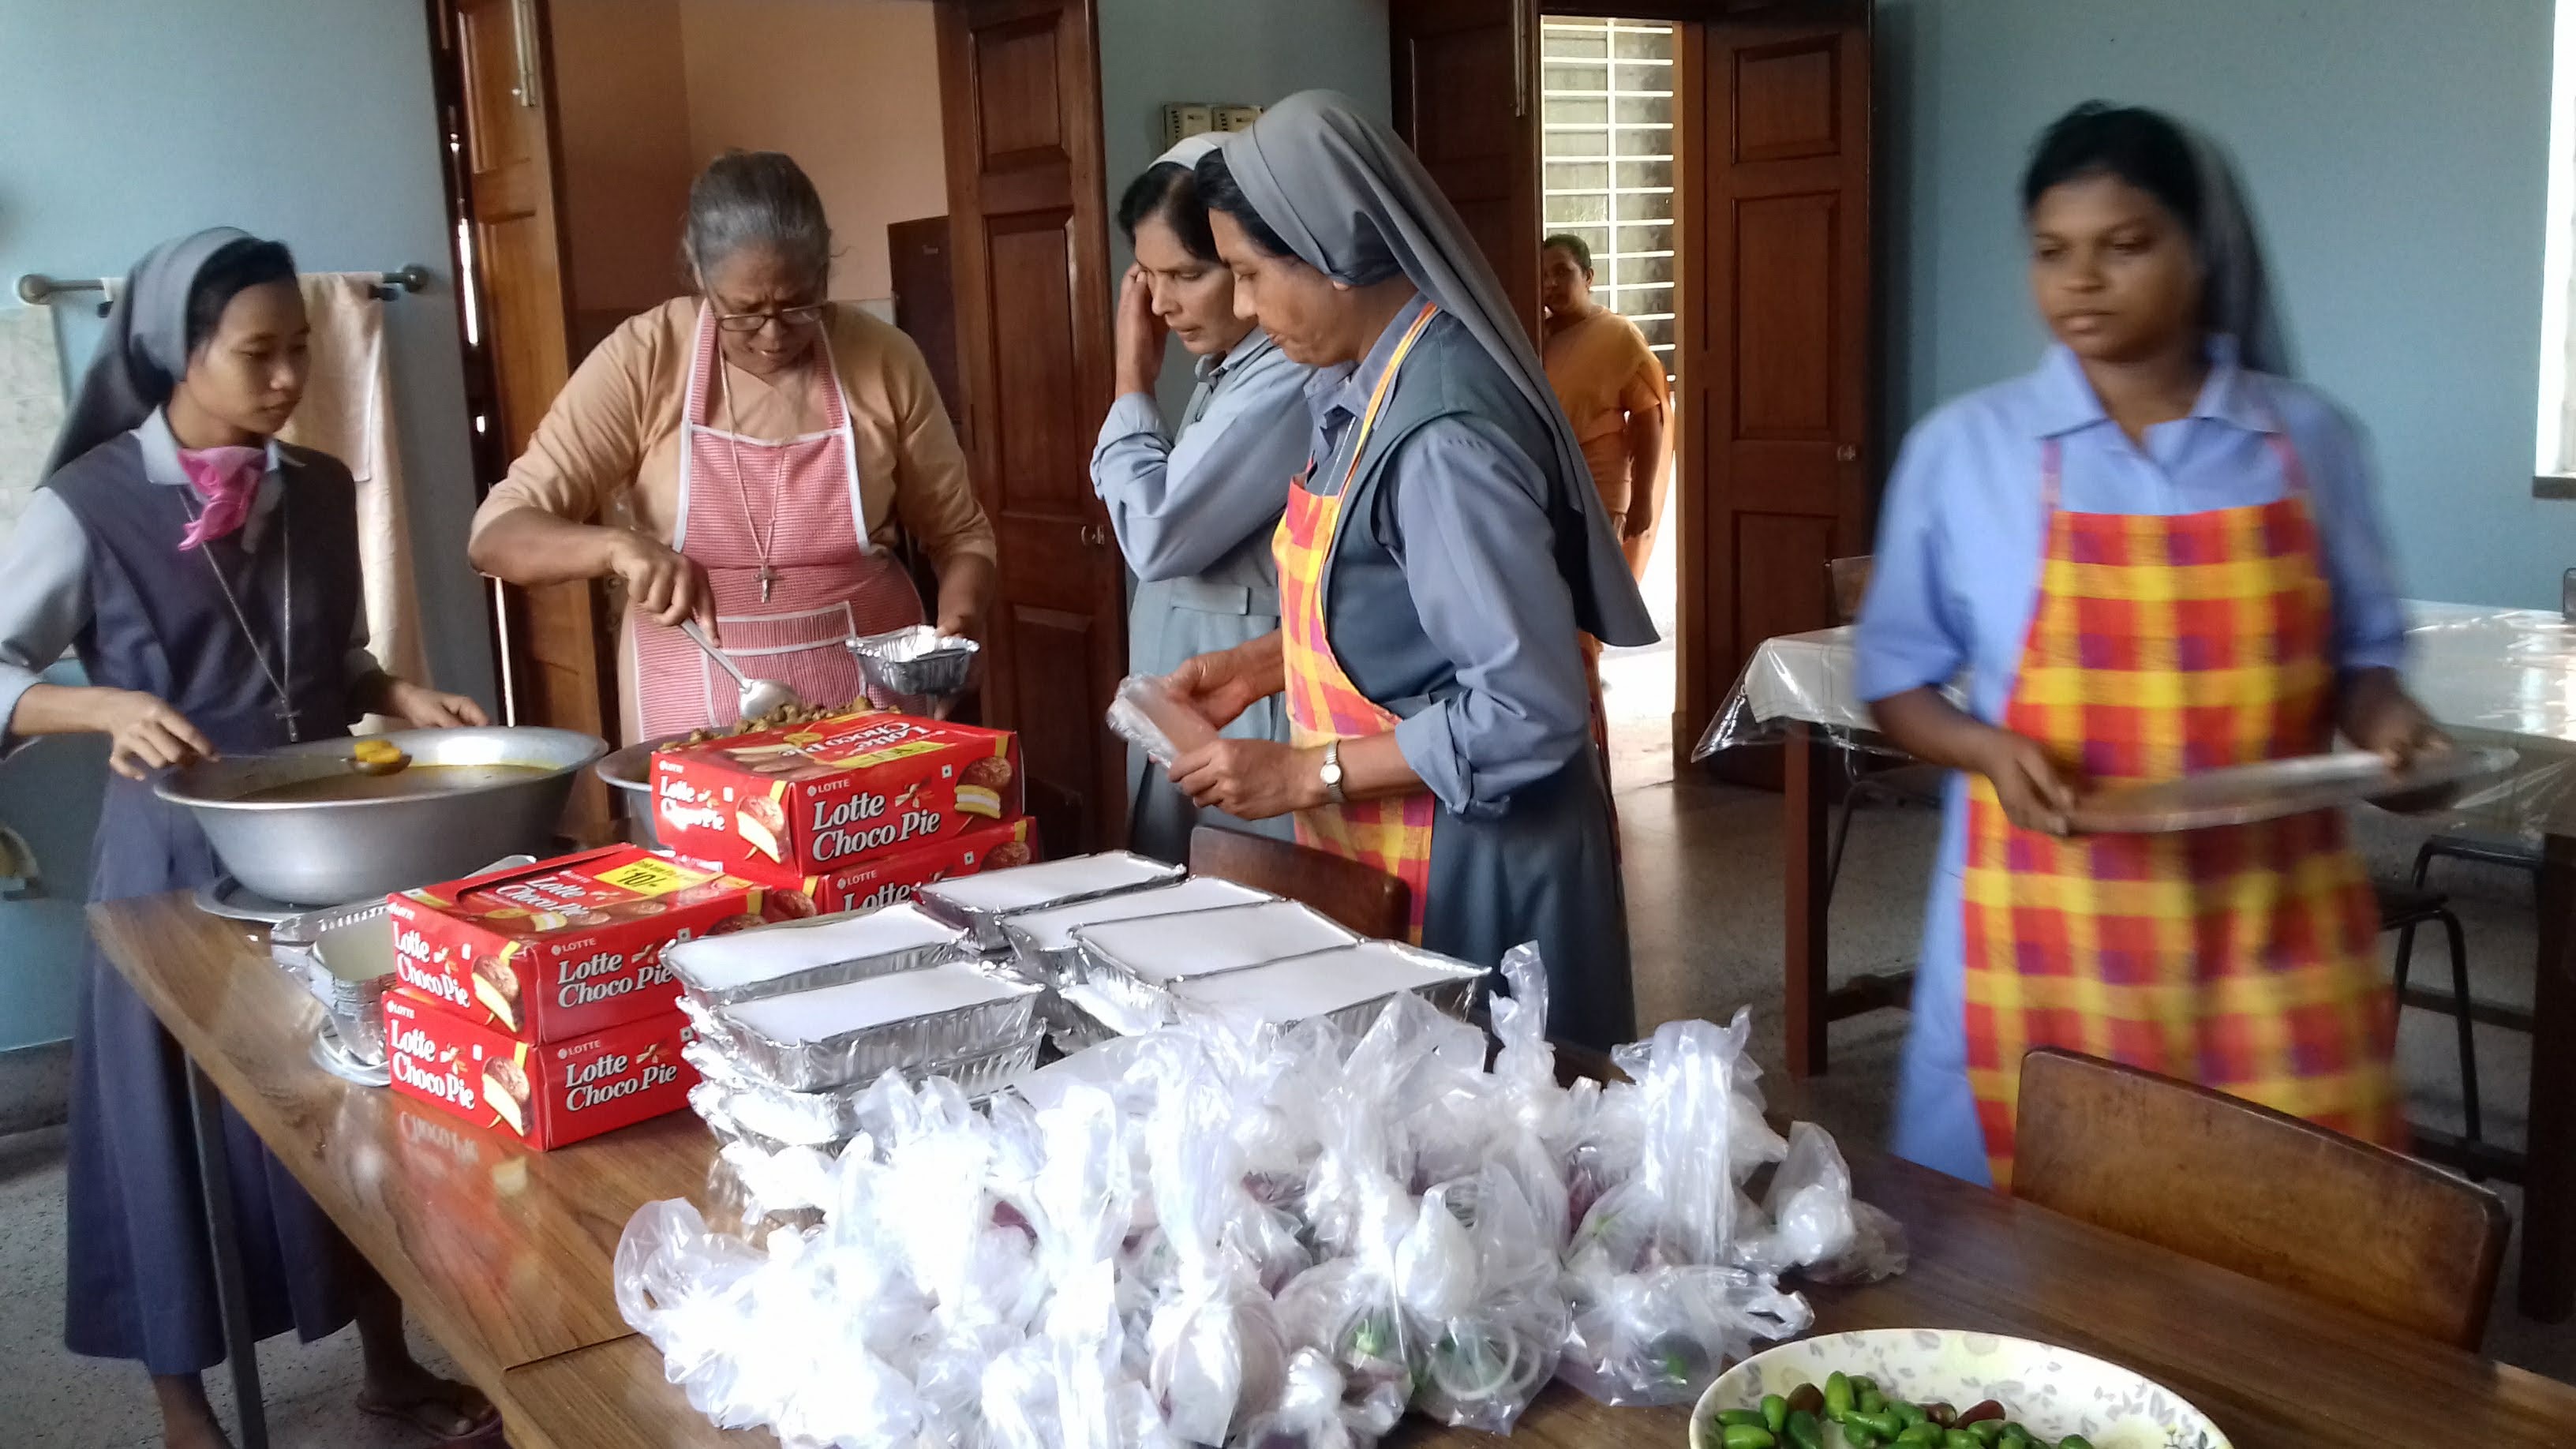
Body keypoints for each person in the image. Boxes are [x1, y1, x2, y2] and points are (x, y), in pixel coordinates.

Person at [1855, 103, 2442, 1191]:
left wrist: (2390, 723)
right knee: (2035, 1234)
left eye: (2124, 246)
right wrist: (1985, 748)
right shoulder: (1967, 450)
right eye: (2052, 252)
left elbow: (2361, 659)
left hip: (2270, 923)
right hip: (2048, 921)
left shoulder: (2305, 439)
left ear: (2199, 250)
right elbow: (1895, 679)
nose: (2082, 281)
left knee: (2285, 1226)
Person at [0, 229, 493, 1447]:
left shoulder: (317, 485)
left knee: (354, 1101)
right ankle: (183, 1408)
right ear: (177, 350)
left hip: (325, 847)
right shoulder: (87, 504)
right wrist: (100, 708)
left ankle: (389, 1364)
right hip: (170, 858)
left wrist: (396, 693)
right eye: (256, 352)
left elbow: (335, 659)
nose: (286, 379)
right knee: (168, 1129)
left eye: (300, 350)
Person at [1163, 92, 1659, 1051]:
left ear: (1333, 251)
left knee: (1480, 1112)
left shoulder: (1441, 437)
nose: (1248, 309)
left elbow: (1529, 708)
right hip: (1404, 833)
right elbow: (1403, 605)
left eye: (1251, 275)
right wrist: (1261, 667)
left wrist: (1309, 773)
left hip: (1479, 852)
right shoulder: (1366, 386)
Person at [468, 151, 997, 739]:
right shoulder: (645, 359)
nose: (773, 335)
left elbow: (961, 534)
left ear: (824, 272)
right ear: (699, 275)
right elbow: (495, 535)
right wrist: (615, 548)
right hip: (688, 701)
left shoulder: (884, 359)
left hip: (872, 711)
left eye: (799, 305)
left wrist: (960, 623)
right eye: (744, 313)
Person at [1094, 135, 1311, 863]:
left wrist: (1132, 381)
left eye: (1188, 275)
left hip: (1250, 706)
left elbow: (1155, 533)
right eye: (1149, 278)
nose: (1161, 305)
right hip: (1196, 686)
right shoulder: (1229, 366)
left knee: (1242, 889)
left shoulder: (1284, 375)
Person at [1541, 234, 1668, 578]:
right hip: (1549, 482)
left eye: (1562, 272)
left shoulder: (1617, 335)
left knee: (1593, 586)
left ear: (1588, 276)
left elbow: (1648, 418)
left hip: (1600, 483)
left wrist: (1642, 498)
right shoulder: (1536, 336)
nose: (1551, 284)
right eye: (1544, 276)